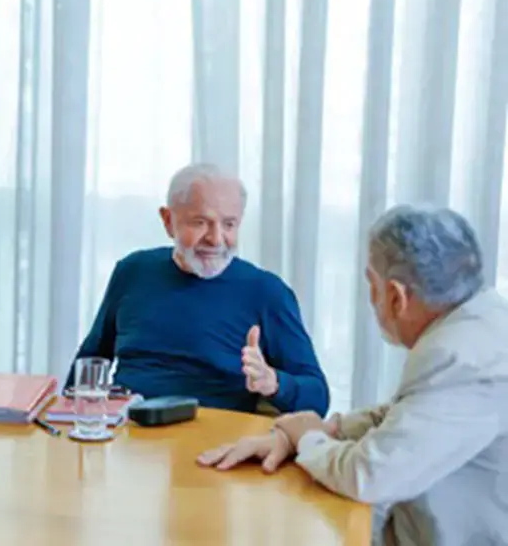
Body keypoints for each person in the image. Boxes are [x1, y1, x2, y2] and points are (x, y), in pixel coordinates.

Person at [197, 204, 508, 545]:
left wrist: (306, 439)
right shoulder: (479, 321)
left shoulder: (461, 356)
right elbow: (401, 414)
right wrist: (323, 430)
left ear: (395, 296)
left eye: (371, 286)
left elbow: (368, 475)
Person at [64, 163, 329, 415]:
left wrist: (273, 382)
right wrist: (66, 421)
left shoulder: (267, 292)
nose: (215, 239)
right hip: (127, 433)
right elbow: (90, 361)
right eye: (200, 222)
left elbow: (318, 397)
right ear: (168, 221)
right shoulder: (131, 271)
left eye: (229, 224)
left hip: (213, 444)